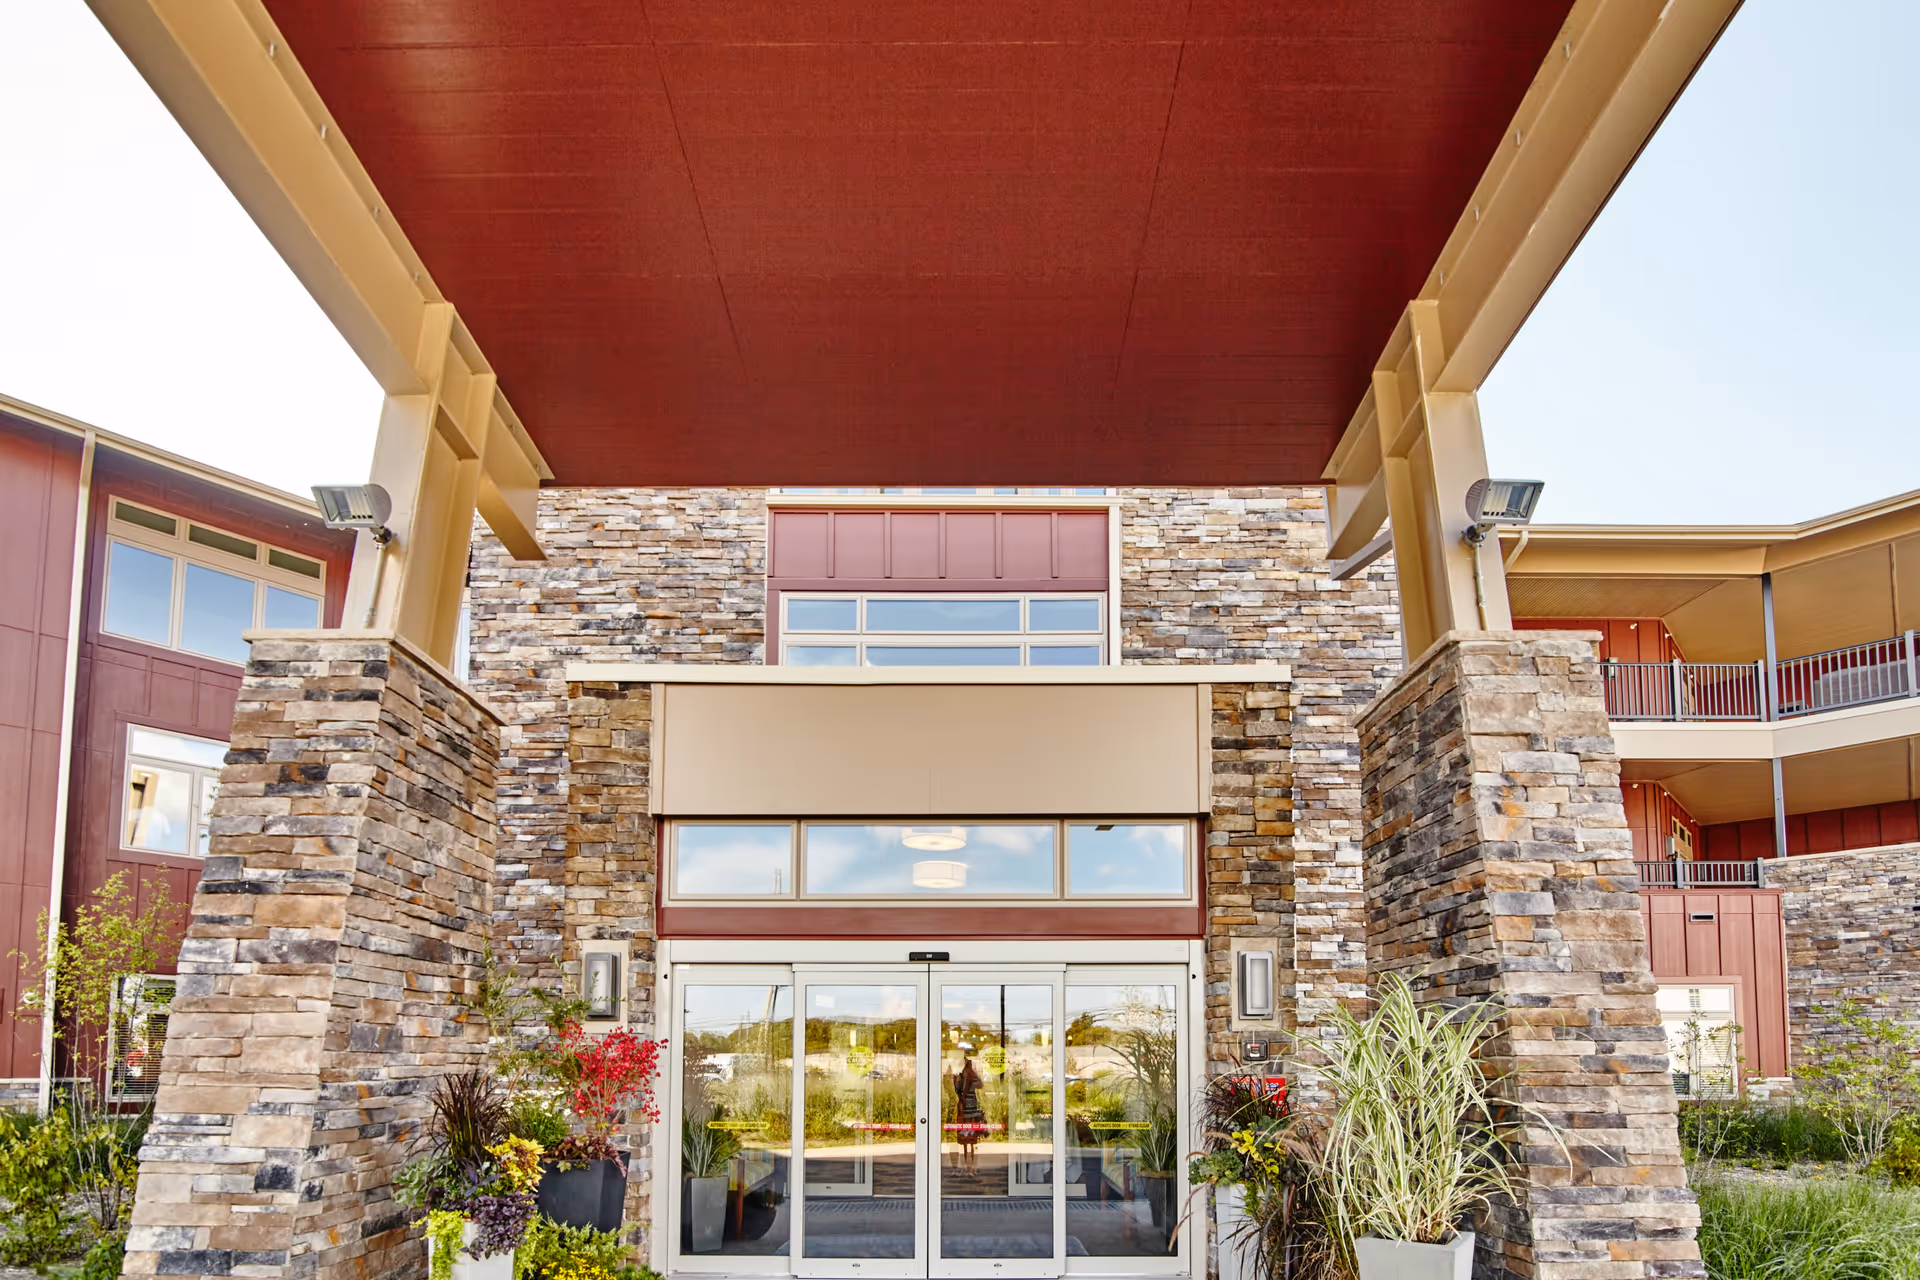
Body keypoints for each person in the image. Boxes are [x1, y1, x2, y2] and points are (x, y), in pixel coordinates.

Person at [953, 1045, 986, 1172]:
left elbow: (958, 1090)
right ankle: (971, 1166)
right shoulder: (972, 1076)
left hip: (965, 1107)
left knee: (966, 1138)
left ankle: (968, 1165)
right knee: (971, 1138)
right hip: (971, 1107)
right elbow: (980, 1085)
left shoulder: (966, 1077)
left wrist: (956, 1081)